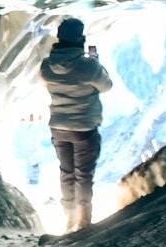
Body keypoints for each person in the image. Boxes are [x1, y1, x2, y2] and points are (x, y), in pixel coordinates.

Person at [39, 17, 113, 232]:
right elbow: (106, 86)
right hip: (84, 128)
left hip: (58, 126)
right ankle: (84, 221)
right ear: (80, 39)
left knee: (66, 173)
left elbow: (47, 84)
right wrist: (95, 61)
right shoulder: (89, 66)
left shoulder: (46, 65)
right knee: (83, 176)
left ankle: (70, 219)